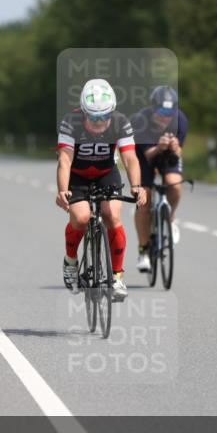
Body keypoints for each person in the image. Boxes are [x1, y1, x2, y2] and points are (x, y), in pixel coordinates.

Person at [56, 79, 147, 301]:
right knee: (81, 217)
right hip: (77, 175)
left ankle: (116, 277)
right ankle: (70, 261)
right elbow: (65, 162)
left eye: (104, 116)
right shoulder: (71, 122)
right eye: (93, 117)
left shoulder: (120, 122)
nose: (99, 122)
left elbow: (130, 158)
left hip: (106, 173)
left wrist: (136, 186)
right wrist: (62, 191)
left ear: (112, 112)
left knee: (112, 215)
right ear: (84, 112)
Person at [130, 85, 188, 273]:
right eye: (161, 112)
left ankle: (169, 218)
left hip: (167, 154)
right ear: (153, 108)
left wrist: (175, 147)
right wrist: (159, 146)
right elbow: (148, 155)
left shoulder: (180, 120)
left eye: (169, 112)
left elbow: (179, 152)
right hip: (145, 154)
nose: (165, 117)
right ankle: (143, 251)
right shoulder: (140, 121)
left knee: (174, 185)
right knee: (144, 198)